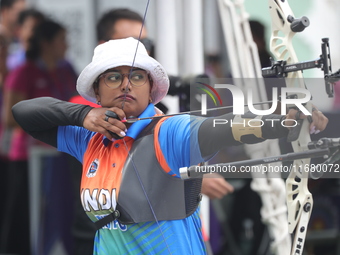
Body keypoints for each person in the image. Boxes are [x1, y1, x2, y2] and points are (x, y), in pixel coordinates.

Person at [11, 37, 328, 254]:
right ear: (96, 91)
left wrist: (282, 119)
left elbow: (226, 128)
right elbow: (24, 113)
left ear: (151, 90)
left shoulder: (169, 132)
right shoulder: (88, 138)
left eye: (137, 76)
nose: (125, 85)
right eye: (113, 77)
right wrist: (83, 115)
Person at [0, 19, 77, 254]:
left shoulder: (67, 70)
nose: (66, 45)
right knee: (25, 219)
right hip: (27, 158)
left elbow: (78, 105)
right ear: (46, 43)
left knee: (64, 213)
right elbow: (10, 117)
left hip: (62, 154)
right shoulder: (24, 72)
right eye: (61, 39)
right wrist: (51, 121)